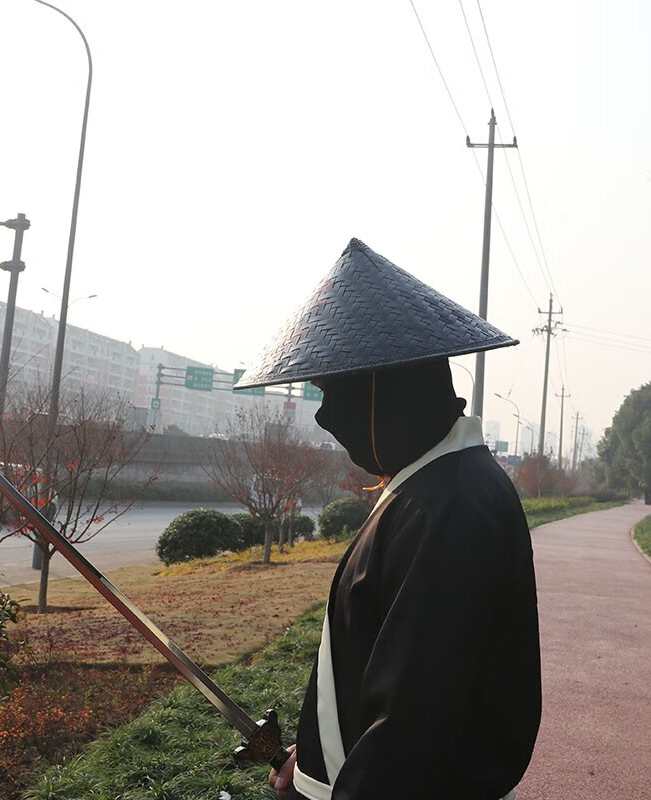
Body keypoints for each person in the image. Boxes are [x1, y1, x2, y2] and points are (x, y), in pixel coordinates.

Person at [234, 239, 541, 800]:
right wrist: (317, 761)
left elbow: (412, 728)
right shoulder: (432, 484)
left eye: (332, 390)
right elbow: (382, 672)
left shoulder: (450, 509)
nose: (325, 416)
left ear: (384, 390)